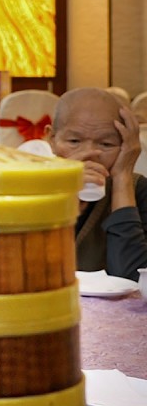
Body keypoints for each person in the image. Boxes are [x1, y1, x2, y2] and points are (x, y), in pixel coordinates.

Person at [44, 88, 147, 281]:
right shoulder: (30, 188)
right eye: (74, 141)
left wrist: (123, 178)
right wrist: (61, 199)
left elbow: (134, 279)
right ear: (52, 139)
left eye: (106, 144)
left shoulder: (137, 189)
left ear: (127, 146)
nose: (90, 153)